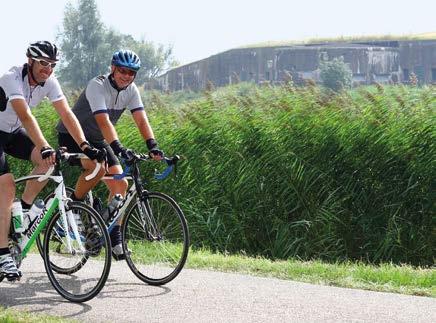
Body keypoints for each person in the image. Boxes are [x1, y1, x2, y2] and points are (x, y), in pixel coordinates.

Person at [0, 41, 106, 281]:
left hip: (13, 134)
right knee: (6, 187)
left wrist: (85, 146)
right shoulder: (11, 78)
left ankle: (24, 209)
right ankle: (3, 253)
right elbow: (25, 116)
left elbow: (66, 114)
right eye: (43, 63)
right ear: (31, 61)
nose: (47, 69)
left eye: (52, 65)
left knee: (48, 163)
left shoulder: (49, 82)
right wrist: (45, 145)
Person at [56, 49, 163, 260]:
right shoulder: (97, 85)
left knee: (120, 186)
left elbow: (141, 120)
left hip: (98, 139)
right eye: (122, 70)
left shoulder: (131, 90)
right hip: (72, 136)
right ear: (113, 69)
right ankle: (74, 208)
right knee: (97, 168)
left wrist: (153, 145)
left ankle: (115, 238)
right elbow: (104, 121)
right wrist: (119, 147)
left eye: (132, 73)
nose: (126, 76)